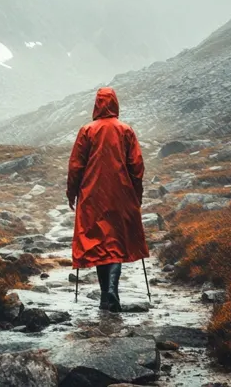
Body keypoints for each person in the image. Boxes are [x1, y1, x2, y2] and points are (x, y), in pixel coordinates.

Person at [67, 87, 148, 312]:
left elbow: (76, 166)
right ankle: (110, 292)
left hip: (93, 196)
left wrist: (71, 193)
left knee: (98, 243)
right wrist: (136, 195)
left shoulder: (87, 130)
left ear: (97, 104)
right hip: (120, 195)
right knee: (115, 243)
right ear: (115, 104)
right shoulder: (126, 131)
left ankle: (106, 294)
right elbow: (137, 166)